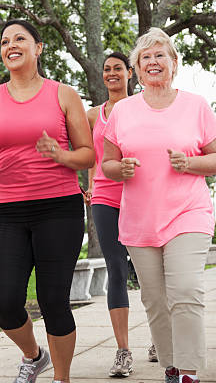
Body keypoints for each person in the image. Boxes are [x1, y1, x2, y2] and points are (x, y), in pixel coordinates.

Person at [0, 19, 94, 383]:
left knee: (53, 301)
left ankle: (61, 378)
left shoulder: (62, 94)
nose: (10, 45)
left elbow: (88, 154)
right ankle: (33, 355)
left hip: (59, 208)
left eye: (20, 38)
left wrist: (62, 156)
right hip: (7, 210)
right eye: (5, 41)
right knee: (4, 301)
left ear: (38, 48)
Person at [101, 27, 216, 383]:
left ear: (174, 63)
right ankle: (171, 366)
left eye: (160, 55)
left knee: (186, 291)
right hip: (139, 220)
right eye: (145, 57)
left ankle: (188, 372)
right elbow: (107, 164)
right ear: (136, 69)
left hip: (188, 213)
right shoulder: (122, 111)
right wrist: (120, 169)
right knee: (155, 300)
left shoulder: (196, 106)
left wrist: (189, 163)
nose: (153, 62)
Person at [85, 52, 137, 377]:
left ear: (130, 73)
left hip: (139, 195)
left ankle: (160, 337)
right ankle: (123, 350)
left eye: (118, 68)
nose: (112, 73)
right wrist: (89, 184)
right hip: (104, 197)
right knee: (116, 269)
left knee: (148, 272)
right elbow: (92, 153)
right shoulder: (93, 114)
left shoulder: (141, 108)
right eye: (107, 69)